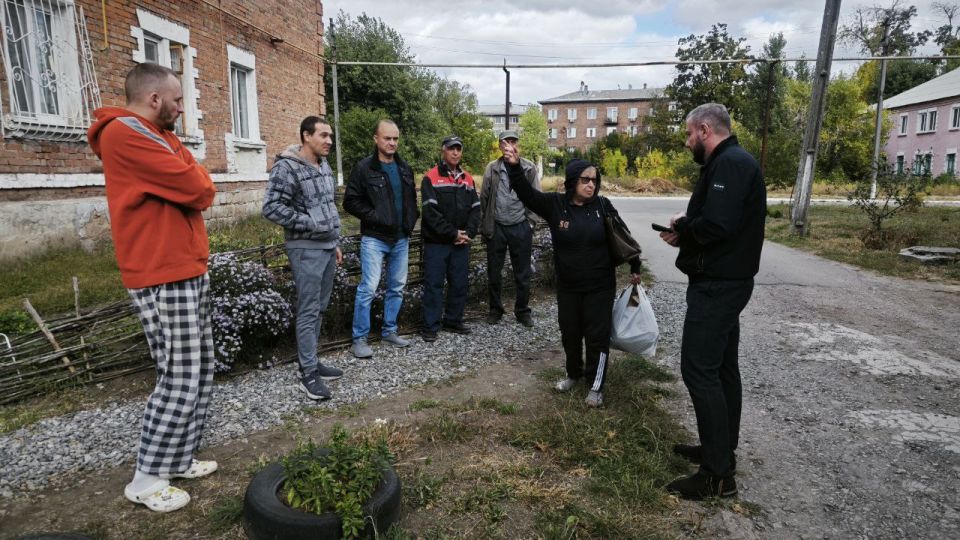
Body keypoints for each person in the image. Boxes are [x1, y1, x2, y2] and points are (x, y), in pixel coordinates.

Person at [88, 63, 218, 513]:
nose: (182, 108)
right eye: (178, 100)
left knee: (201, 368)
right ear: (154, 99)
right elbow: (197, 186)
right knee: (180, 374)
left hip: (184, 266)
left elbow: (196, 180)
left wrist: (187, 167)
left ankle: (178, 458)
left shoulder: (159, 136)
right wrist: (189, 171)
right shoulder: (125, 133)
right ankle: (146, 477)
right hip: (162, 270)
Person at [659, 103, 766, 500]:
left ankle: (717, 476)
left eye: (689, 135)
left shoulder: (731, 164)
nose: (688, 142)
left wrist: (684, 227)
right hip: (722, 281)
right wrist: (685, 231)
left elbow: (718, 224)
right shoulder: (729, 163)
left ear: (704, 130)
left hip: (719, 285)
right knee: (721, 370)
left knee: (699, 370)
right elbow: (721, 221)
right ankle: (718, 449)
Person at [502, 149, 642, 408]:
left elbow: (622, 235)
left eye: (594, 180)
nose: (592, 184)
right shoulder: (556, 205)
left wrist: (635, 265)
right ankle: (573, 374)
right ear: (572, 181)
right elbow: (527, 194)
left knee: (597, 337)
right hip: (568, 286)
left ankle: (596, 386)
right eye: (585, 180)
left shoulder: (602, 205)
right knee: (570, 333)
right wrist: (513, 166)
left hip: (600, 286)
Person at [262, 116, 345, 401]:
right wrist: (310, 223)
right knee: (309, 309)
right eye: (323, 135)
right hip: (304, 248)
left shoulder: (324, 166)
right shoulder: (287, 167)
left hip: (325, 247)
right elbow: (271, 207)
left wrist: (333, 241)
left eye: (330, 136)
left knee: (319, 308)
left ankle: (311, 360)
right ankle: (308, 374)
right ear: (306, 136)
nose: (329, 141)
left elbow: (328, 206)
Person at [343, 119, 420, 358]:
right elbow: (350, 201)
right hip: (375, 239)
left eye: (395, 138)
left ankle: (389, 331)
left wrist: (410, 220)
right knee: (368, 288)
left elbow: (411, 200)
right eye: (387, 138)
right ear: (376, 139)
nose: (392, 143)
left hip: (400, 239)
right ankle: (360, 339)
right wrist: (375, 216)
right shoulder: (365, 168)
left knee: (396, 287)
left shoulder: (404, 168)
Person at [419, 136, 482, 341]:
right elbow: (431, 213)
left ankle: (453, 320)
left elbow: (476, 210)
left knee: (459, 283)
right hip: (437, 243)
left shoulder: (468, 179)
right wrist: (452, 233)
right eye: (451, 149)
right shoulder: (431, 177)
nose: (455, 152)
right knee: (434, 284)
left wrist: (468, 233)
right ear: (443, 151)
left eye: (458, 149)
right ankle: (430, 326)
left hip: (461, 243)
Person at [480, 129, 540, 327]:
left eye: (513, 142)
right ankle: (495, 310)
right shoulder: (492, 168)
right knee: (494, 273)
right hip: (497, 227)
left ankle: (522, 311)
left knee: (522, 273)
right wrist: (485, 225)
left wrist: (529, 223)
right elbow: (484, 198)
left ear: (518, 145)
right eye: (506, 142)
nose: (510, 146)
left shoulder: (529, 168)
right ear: (500, 146)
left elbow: (536, 198)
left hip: (520, 227)